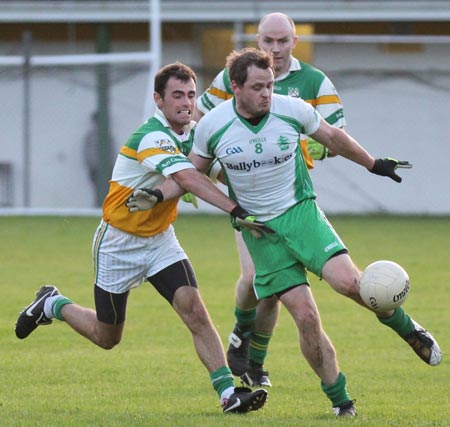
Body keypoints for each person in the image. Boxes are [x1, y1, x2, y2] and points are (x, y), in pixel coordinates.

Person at [129, 48, 442, 417]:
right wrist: (157, 193)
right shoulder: (213, 126)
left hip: (300, 213)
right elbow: (190, 175)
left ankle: (408, 329)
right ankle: (341, 401)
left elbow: (333, 138)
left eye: (270, 85)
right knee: (306, 316)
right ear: (236, 87)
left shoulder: (291, 109)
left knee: (349, 283)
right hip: (259, 231)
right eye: (258, 87)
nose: (266, 93)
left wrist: (373, 163)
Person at [14, 62, 269, 414]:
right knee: (108, 338)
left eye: (191, 95)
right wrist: (236, 210)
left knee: (195, 310)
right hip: (119, 244)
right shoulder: (152, 136)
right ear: (158, 100)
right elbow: (188, 178)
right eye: (177, 95)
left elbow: (218, 170)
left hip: (160, 240)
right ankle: (52, 304)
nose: (185, 102)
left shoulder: (196, 134)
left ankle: (228, 395)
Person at [193, 12, 347, 387]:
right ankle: (241, 337)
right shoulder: (234, 77)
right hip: (246, 201)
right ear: (257, 41)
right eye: (267, 41)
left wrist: (305, 145)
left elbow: (337, 134)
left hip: (291, 199)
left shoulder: (314, 81)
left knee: (277, 291)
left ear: (295, 41)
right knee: (253, 279)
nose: (275, 49)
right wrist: (214, 168)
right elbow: (199, 122)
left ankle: (253, 362)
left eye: (282, 41)